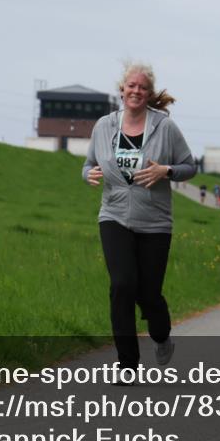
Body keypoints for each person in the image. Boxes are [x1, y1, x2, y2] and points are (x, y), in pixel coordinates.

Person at [83, 62, 197, 377]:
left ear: (149, 94)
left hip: (155, 221)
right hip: (114, 215)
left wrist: (167, 170)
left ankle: (161, 335)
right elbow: (89, 163)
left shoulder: (165, 128)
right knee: (121, 285)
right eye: (131, 86)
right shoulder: (104, 126)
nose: (136, 91)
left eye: (142, 87)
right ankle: (127, 364)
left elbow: (190, 166)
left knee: (148, 294)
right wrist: (88, 174)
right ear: (122, 90)